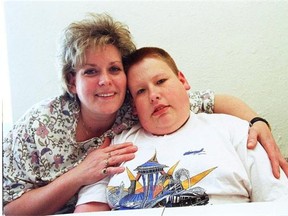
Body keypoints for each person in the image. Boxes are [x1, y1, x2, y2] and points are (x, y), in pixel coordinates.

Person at [2, 13, 287, 215]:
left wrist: (257, 123)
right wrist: (79, 175)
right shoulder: (40, 126)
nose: (105, 81)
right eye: (90, 71)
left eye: (114, 69)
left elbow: (213, 100)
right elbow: (11, 209)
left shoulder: (141, 106)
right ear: (70, 82)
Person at [74, 47, 288, 212]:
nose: (154, 95)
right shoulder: (116, 146)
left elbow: (280, 202)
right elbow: (88, 210)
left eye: (161, 81)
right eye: (140, 91)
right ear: (133, 107)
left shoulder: (237, 131)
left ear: (182, 80)